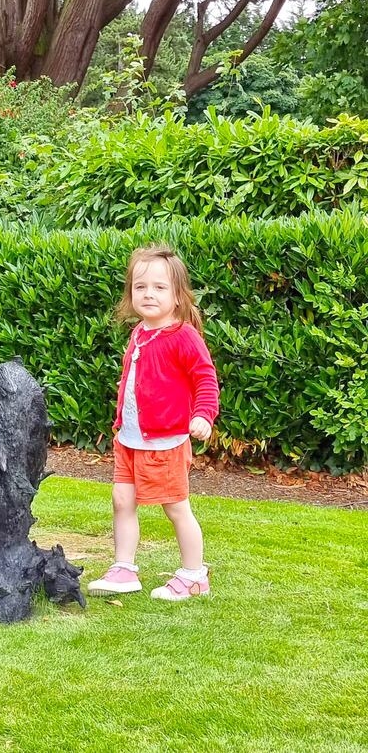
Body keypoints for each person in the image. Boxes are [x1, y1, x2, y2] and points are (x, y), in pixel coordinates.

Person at [88, 245, 219, 602]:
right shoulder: (141, 333)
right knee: (121, 500)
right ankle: (124, 569)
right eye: (140, 286)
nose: (148, 294)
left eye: (160, 287)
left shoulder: (183, 337)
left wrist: (203, 415)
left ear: (178, 296)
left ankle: (194, 576)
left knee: (176, 508)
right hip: (129, 440)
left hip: (165, 443)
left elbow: (205, 379)